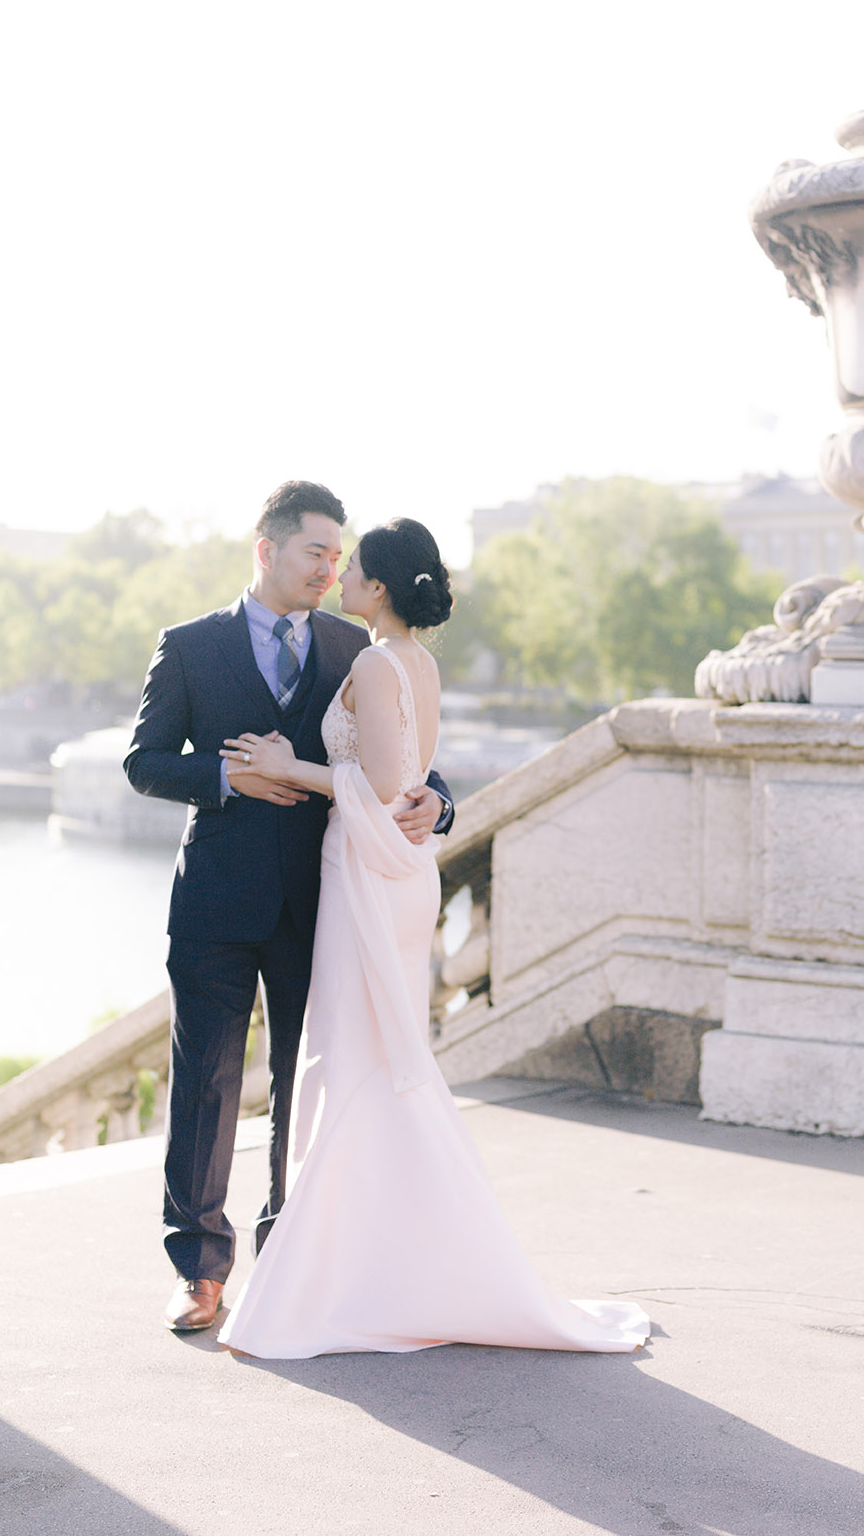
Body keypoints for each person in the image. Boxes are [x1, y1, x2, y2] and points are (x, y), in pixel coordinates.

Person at [214, 519, 649, 1358]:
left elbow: (378, 789)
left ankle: (327, 1284)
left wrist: (283, 762)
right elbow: (414, 782)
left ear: (378, 588)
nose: (339, 578)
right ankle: (384, 1265)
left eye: (352, 571)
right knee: (377, 1064)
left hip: (367, 875)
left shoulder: (377, 664)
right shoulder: (422, 664)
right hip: (403, 875)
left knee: (349, 1062)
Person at [124, 481, 455, 1333]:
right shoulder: (190, 645)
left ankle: (289, 1255)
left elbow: (406, 755)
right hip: (216, 899)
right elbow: (145, 761)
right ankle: (198, 1269)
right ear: (265, 549)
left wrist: (438, 803)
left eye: (339, 556)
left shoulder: (360, 644)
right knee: (205, 1083)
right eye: (316, 551)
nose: (329, 568)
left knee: (309, 1085)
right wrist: (229, 775)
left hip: (327, 898)